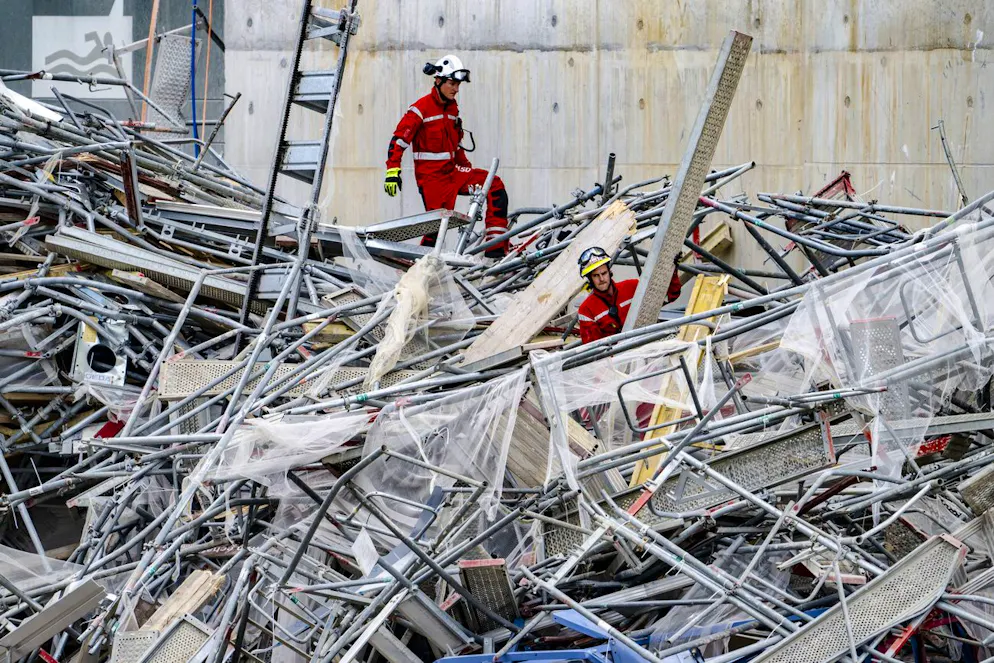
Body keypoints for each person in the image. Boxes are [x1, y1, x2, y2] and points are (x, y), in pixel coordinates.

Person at [384, 54, 510, 258]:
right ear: (438, 80)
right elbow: (398, 141)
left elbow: (456, 147)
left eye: (458, 84)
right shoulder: (420, 109)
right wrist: (392, 171)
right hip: (431, 180)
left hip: (453, 173)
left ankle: (495, 248)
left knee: (493, 184)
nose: (456, 89)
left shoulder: (453, 109)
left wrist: (467, 169)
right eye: (452, 83)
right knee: (436, 229)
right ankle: (416, 265)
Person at [576, 246, 682, 344]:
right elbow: (594, 349)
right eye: (596, 276)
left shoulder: (632, 287)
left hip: (647, 346)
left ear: (609, 271)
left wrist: (672, 270)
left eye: (604, 273)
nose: (601, 279)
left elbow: (670, 296)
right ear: (590, 279)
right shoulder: (586, 310)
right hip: (617, 359)